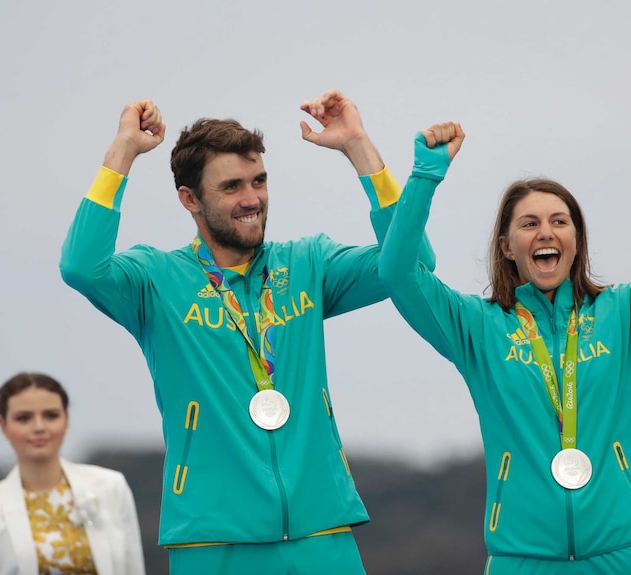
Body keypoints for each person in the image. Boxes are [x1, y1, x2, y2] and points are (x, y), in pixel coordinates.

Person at [59, 90, 434, 574]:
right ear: (189, 199)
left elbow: (413, 263)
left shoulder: (308, 264)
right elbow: (81, 267)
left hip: (321, 530)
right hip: (212, 538)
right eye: (232, 186)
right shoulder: (155, 281)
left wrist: (359, 147)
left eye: (258, 181)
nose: (252, 199)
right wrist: (124, 152)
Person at [378, 111, 631, 574]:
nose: (546, 232)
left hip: (623, 556)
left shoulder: (622, 314)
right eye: (528, 224)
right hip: (522, 560)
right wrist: (425, 176)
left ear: (577, 241)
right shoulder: (476, 329)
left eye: (559, 221)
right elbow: (398, 272)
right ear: (506, 247)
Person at [0, 372, 146, 575]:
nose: (39, 427)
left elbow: (133, 569)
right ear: (3, 425)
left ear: (66, 419)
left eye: (51, 415)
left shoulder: (111, 487)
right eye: (23, 418)